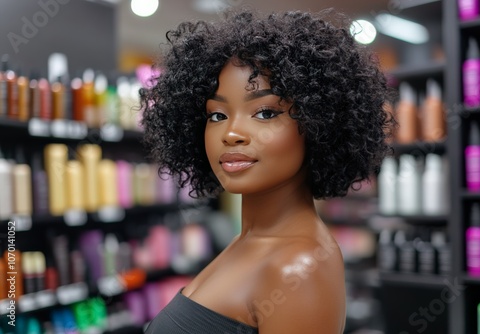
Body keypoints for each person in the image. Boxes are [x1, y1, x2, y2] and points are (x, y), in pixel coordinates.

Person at [141, 8, 393, 334]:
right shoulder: (248, 242)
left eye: (264, 112)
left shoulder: (296, 268)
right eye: (216, 115)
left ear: (320, 122)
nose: (231, 133)